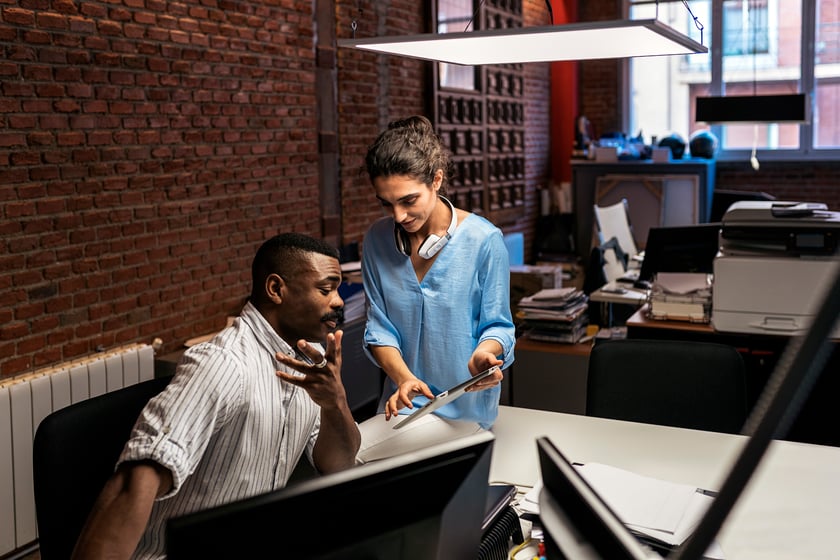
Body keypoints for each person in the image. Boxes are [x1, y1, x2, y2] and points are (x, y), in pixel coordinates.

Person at [72, 233, 361, 559]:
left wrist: (334, 401)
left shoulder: (310, 358)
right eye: (326, 289)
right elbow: (137, 478)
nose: (338, 300)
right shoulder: (222, 363)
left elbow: (338, 465)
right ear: (276, 290)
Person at [356, 115, 516, 463]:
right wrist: (404, 379)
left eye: (408, 200)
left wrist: (484, 356)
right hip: (401, 407)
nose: (397, 216)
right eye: (386, 203)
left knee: (346, 458)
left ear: (437, 180)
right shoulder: (376, 241)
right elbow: (379, 328)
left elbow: (499, 326)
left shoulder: (484, 241)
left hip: (462, 410)